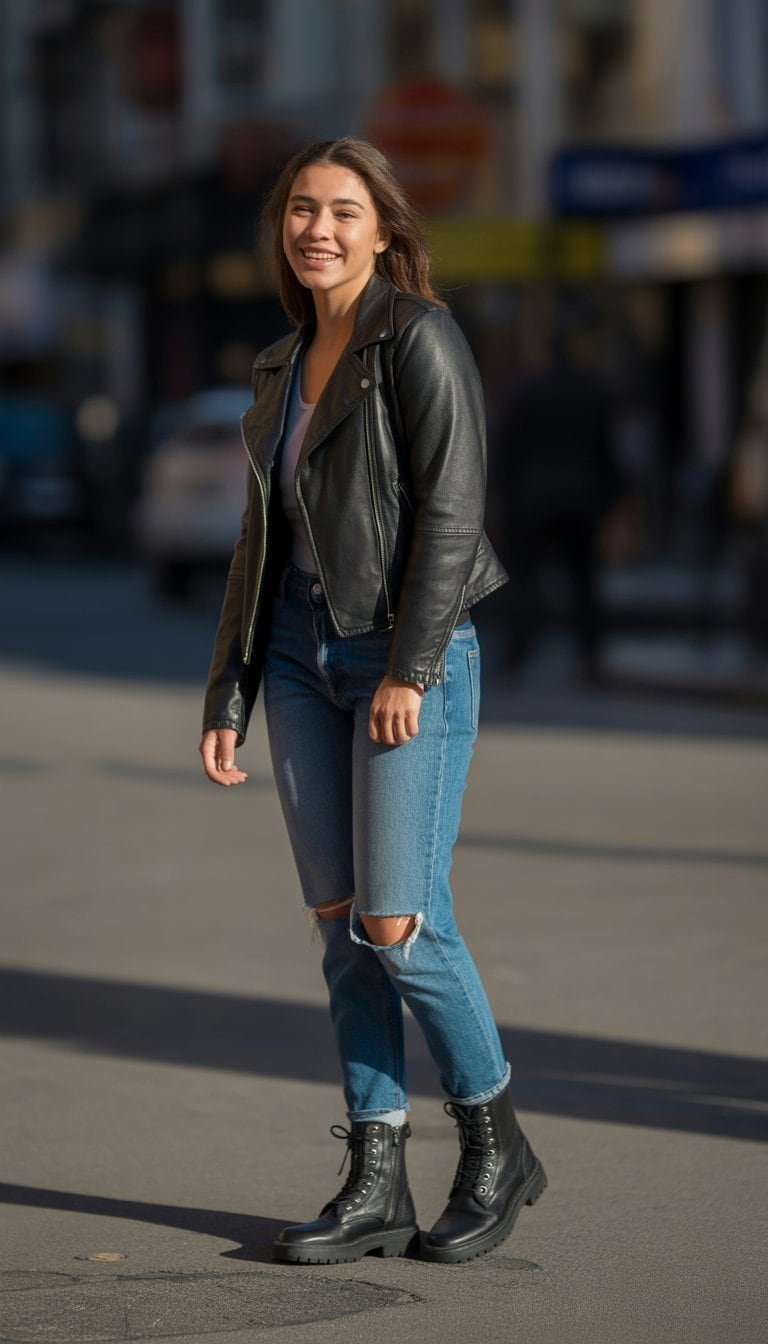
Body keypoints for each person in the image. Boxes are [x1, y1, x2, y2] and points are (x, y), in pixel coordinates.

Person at [199, 138, 546, 1266]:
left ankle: (496, 1142)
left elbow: (453, 506)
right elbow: (259, 542)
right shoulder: (278, 365)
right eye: (302, 209)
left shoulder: (418, 335)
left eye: (344, 211)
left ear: (384, 229)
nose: (319, 229)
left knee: (398, 923)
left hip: (403, 653)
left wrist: (411, 665)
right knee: (340, 928)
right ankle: (376, 1175)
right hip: (299, 656)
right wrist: (230, 690)